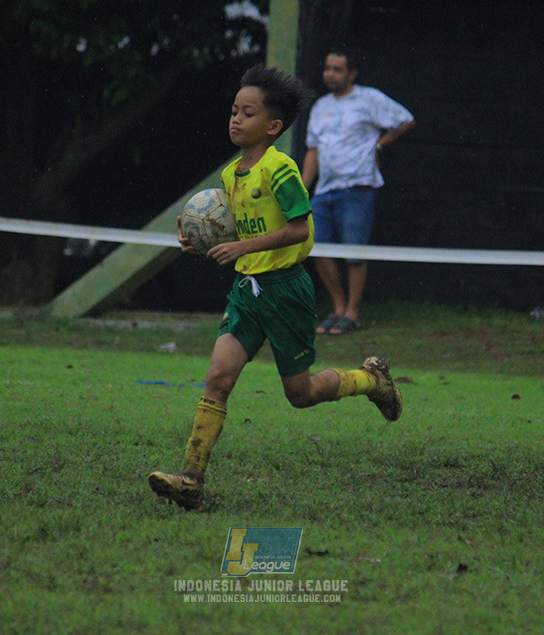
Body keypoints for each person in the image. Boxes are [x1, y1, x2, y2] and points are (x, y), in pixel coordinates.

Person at [148, 64, 403, 510]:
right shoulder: (231, 174)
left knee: (301, 395)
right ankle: (191, 477)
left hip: (286, 291)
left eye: (248, 113)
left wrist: (242, 245)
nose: (236, 119)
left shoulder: (280, 168)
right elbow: (235, 230)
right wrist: (201, 242)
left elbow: (299, 229)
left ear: (273, 126)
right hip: (247, 289)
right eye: (234, 110)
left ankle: (371, 380)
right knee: (217, 377)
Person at [301, 48, 415, 335]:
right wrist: (302, 189)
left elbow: (405, 119)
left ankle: (353, 313)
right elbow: (313, 150)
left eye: (337, 69)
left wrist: (379, 145)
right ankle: (338, 308)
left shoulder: (369, 98)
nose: (330, 74)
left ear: (352, 73)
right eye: (327, 68)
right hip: (324, 189)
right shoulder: (320, 106)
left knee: (354, 251)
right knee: (317, 247)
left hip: (358, 186)